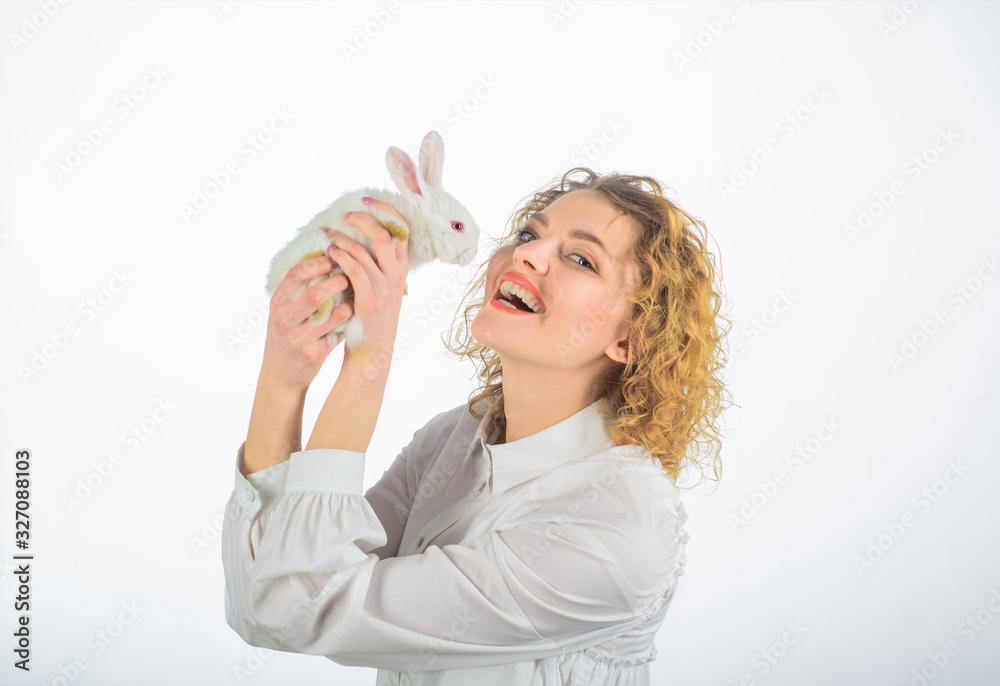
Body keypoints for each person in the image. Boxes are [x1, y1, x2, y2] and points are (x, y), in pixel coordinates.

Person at [222, 167, 732, 685]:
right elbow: (261, 607)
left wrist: (368, 358)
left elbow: (305, 608)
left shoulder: (619, 527)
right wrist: (284, 384)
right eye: (530, 235)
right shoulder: (451, 440)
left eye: (581, 258)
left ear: (630, 339)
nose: (526, 254)